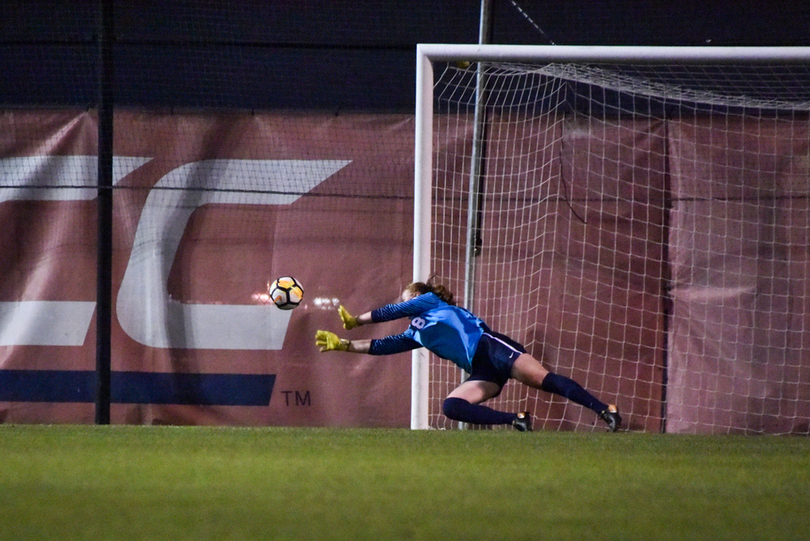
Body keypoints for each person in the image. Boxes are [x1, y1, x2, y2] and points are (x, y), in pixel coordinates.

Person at [315, 279, 622, 432]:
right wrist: (344, 345)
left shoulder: (432, 302)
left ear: (420, 297)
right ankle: (517, 420)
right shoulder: (416, 333)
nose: (406, 304)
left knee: (545, 381)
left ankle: (604, 409)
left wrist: (358, 320)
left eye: (410, 298)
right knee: (452, 406)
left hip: (493, 347)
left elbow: (394, 310)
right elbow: (382, 346)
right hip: (481, 369)